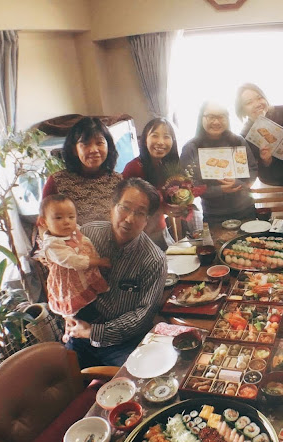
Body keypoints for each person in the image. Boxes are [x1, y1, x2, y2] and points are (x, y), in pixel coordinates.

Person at [64, 178, 167, 368]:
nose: (129, 219)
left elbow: (143, 315)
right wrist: (67, 314)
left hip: (123, 342)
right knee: (68, 378)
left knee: (131, 381)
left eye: (140, 213)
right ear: (112, 208)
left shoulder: (154, 260)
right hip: (80, 330)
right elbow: (65, 276)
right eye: (125, 208)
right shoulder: (87, 235)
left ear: (147, 221)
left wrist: (95, 332)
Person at [35, 194, 110, 343]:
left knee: (92, 304)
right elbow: (74, 261)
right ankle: (73, 335)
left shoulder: (74, 231)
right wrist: (100, 261)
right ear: (44, 222)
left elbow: (84, 242)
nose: (67, 222)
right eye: (58, 218)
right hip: (70, 286)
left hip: (84, 278)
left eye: (71, 216)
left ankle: (91, 328)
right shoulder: (52, 244)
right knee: (79, 311)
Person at [236, 84, 283, 212]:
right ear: (242, 110)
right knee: (276, 222)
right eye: (249, 102)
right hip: (271, 187)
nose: (257, 104)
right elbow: (252, 169)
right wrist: (266, 160)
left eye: (259, 98)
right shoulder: (245, 134)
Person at [179, 101, 258, 225]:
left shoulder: (238, 141)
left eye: (221, 116)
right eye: (211, 117)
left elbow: (252, 169)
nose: (216, 122)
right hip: (214, 214)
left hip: (245, 209)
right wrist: (219, 190)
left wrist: (238, 183)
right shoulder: (191, 147)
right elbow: (190, 185)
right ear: (201, 118)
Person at [42, 117, 123, 225]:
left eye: (99, 143)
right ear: (74, 150)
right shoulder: (57, 182)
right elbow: (43, 224)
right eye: (86, 144)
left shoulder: (119, 181)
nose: (94, 150)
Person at [123, 117, 180, 249]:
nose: (160, 142)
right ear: (144, 140)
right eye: (155, 135)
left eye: (166, 137)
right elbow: (130, 206)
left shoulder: (165, 165)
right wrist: (164, 208)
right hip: (139, 235)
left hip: (159, 229)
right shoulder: (134, 168)